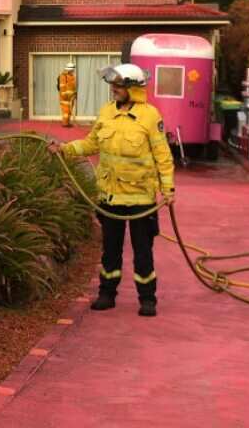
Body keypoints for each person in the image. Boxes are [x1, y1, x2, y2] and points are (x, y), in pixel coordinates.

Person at [48, 64, 174, 316]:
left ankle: (147, 299)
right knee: (110, 250)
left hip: (141, 199)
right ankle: (107, 294)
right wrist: (65, 149)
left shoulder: (150, 116)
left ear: (134, 89)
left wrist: (168, 189)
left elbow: (163, 155)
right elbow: (91, 143)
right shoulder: (106, 113)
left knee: (142, 252)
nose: (113, 90)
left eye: (118, 86)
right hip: (110, 196)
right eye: (113, 85)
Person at [57, 61, 78, 127]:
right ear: (69, 69)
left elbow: (73, 87)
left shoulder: (72, 76)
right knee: (66, 111)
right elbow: (62, 87)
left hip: (71, 97)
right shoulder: (63, 76)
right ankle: (65, 123)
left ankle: (67, 122)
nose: (73, 71)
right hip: (65, 98)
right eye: (72, 69)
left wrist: (75, 94)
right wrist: (65, 95)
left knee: (69, 111)